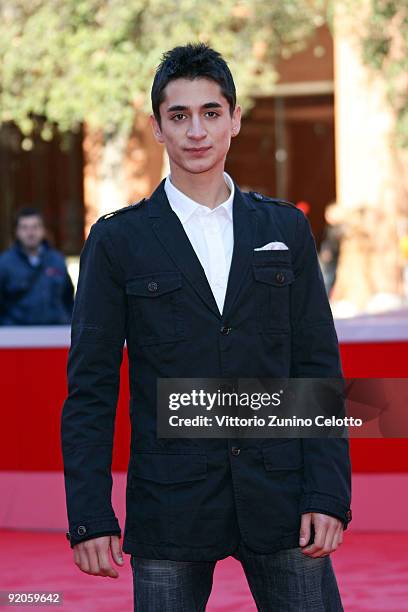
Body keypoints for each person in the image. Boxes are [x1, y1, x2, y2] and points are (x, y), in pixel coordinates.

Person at [61, 44, 352, 611]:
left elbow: (316, 366)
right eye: (179, 116)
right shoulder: (118, 241)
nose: (197, 131)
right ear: (157, 128)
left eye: (211, 113)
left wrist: (327, 492)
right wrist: (89, 514)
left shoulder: (286, 228)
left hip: (284, 496)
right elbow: (91, 389)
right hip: (170, 501)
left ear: (235, 119)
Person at [0, 207, 74, 325]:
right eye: (24, 227)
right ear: (16, 232)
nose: (30, 233)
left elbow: (68, 299)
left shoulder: (57, 260)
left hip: (56, 335)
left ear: (43, 230)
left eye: (35, 227)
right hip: (15, 337)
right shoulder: (4, 263)